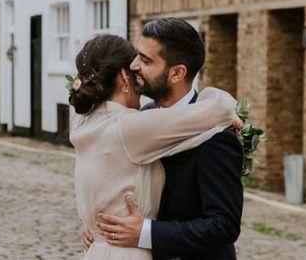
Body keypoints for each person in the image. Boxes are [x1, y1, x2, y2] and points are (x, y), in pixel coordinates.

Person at [69, 33, 237, 259]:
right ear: (124, 77)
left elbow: (224, 224)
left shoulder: (87, 124)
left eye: (145, 60)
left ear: (178, 72)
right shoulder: (134, 123)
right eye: (134, 61)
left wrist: (141, 232)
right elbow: (221, 108)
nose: (136, 67)